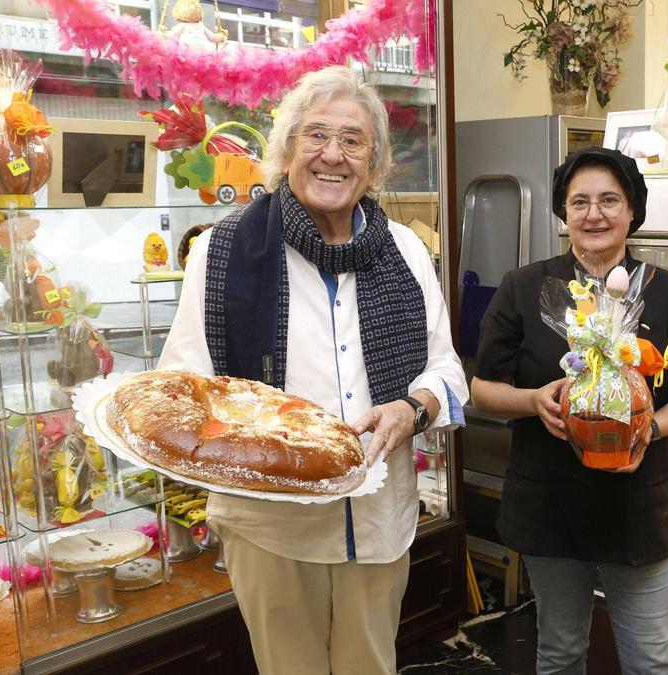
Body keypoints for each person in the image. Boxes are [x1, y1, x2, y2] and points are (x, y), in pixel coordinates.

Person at [158, 66, 467, 674]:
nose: (333, 155)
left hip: (380, 518)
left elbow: (448, 370)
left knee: (370, 666)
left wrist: (414, 408)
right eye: (315, 136)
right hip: (271, 527)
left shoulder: (405, 250)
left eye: (352, 140)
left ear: (374, 162)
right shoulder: (222, 252)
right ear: (286, 151)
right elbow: (185, 388)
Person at [471, 147, 668, 675]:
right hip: (550, 503)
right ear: (564, 213)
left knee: (652, 661)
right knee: (560, 653)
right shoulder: (525, 288)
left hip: (637, 505)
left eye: (610, 199)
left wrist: (647, 429)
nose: (595, 214)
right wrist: (533, 401)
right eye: (579, 201)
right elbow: (483, 390)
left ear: (633, 210)